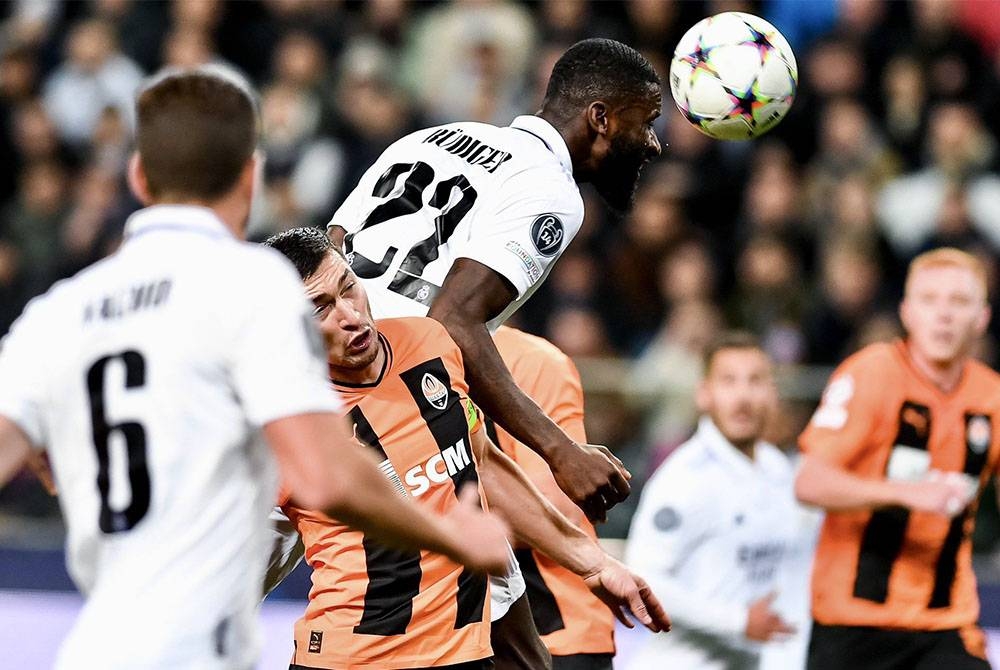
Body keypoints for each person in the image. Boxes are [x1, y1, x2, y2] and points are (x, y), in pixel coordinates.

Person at [0, 68, 509, 670]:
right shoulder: (253, 288)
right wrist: (454, 536)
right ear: (251, 174)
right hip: (198, 645)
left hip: (97, 644)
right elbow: (325, 477)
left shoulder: (57, 313)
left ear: (139, 177)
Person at [263, 227, 669, 670]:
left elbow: (483, 464)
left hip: (464, 653)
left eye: (348, 288)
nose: (349, 315)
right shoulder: (285, 420)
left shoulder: (429, 343)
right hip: (353, 658)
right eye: (320, 309)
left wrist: (593, 564)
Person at [327, 37, 663, 524]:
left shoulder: (427, 138)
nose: (653, 142)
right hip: (391, 400)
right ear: (601, 118)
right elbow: (453, 320)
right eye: (647, 121)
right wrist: (560, 450)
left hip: (312, 373)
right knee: (478, 586)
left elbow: (331, 247)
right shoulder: (551, 190)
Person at [796, 247, 997, 670]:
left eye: (959, 302)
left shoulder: (992, 395)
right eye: (929, 300)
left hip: (945, 621)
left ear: (982, 318)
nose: (944, 314)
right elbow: (809, 483)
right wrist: (905, 493)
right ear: (906, 312)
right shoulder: (872, 372)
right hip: (853, 622)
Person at [625, 332, 799, 670]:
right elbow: (645, 578)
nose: (743, 396)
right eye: (729, 381)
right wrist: (738, 622)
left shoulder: (778, 469)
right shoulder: (684, 478)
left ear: (773, 394)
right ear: (704, 394)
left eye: (755, 381)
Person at [490, 325, 617, 670]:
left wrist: (425, 533)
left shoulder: (531, 360)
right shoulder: (404, 363)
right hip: (469, 637)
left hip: (555, 632)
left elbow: (558, 504)